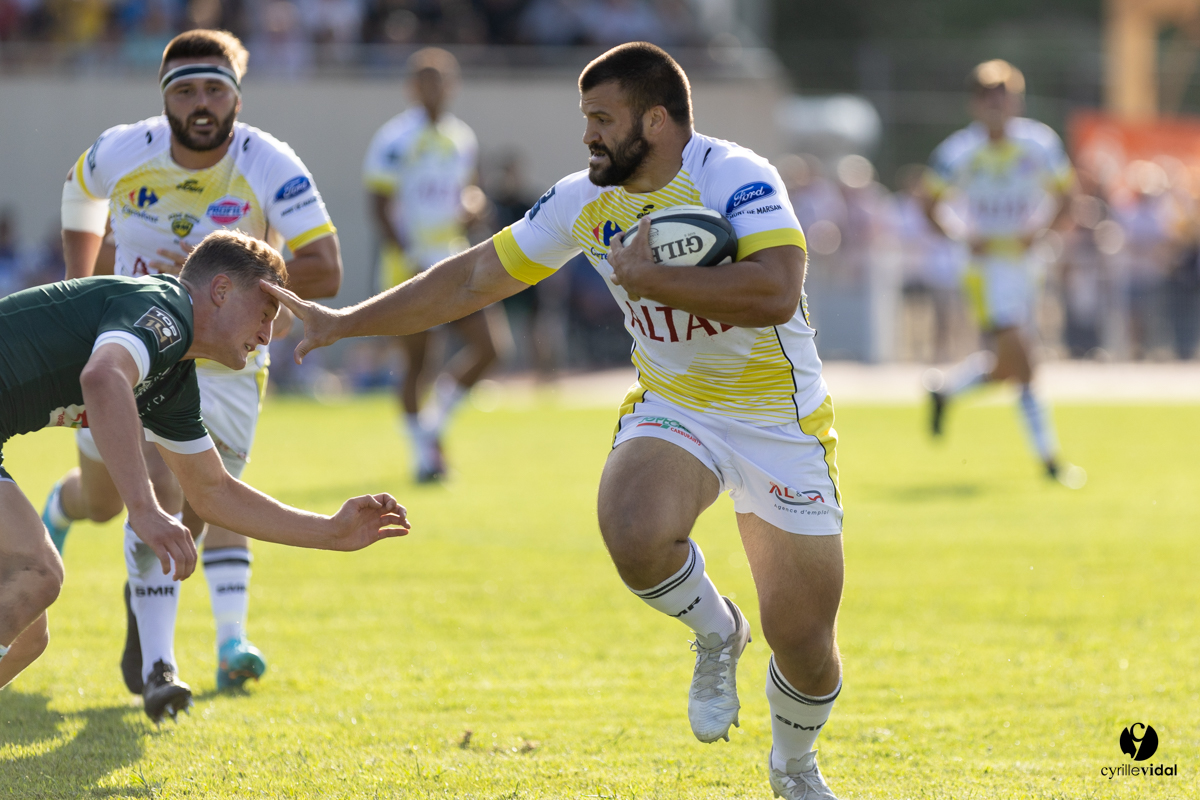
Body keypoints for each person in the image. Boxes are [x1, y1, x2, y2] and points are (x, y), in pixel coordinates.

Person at [271, 42, 844, 800]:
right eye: (586, 120)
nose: (588, 137)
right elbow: (476, 274)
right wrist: (347, 322)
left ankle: (794, 767)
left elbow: (775, 290)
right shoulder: (583, 200)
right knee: (632, 526)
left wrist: (650, 278)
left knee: (805, 645)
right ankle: (716, 632)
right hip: (679, 408)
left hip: (779, 422)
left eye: (602, 120)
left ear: (658, 121)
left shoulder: (734, 176)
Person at [45, 29, 345, 707]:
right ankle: (62, 509)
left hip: (227, 359)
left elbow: (326, 267)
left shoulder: (268, 161)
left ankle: (158, 668)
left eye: (215, 89)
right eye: (186, 90)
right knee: (106, 499)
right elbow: (77, 188)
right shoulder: (126, 148)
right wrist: (75, 284)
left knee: (190, 496)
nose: (201, 103)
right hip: (132, 339)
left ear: (235, 96)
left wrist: (229, 291)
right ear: (165, 99)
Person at [0, 231, 408, 719]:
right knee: (38, 573)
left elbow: (212, 493)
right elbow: (103, 378)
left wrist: (331, 531)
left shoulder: (171, 378)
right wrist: (146, 510)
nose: (266, 336)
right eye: (264, 315)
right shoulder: (166, 309)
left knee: (28, 635)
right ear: (220, 291)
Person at [921, 59, 1084, 487]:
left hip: (1027, 267)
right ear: (975, 105)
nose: (998, 107)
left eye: (1005, 98)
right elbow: (927, 202)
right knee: (1025, 363)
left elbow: (1069, 196)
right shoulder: (959, 151)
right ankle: (1050, 462)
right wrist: (961, 236)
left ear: (1016, 102)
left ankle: (947, 391)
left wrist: (1042, 231)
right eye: (989, 99)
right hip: (985, 270)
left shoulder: (1040, 144)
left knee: (1010, 366)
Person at [363, 47, 508, 482]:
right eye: (425, 80)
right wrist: (406, 257)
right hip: (409, 264)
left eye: (442, 80)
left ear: (452, 85)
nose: (434, 88)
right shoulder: (394, 139)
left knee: (492, 349)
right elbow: (379, 204)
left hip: (454, 256)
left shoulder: (461, 137)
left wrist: (474, 205)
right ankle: (424, 457)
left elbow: (471, 191)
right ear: (412, 87)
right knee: (417, 364)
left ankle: (432, 429)